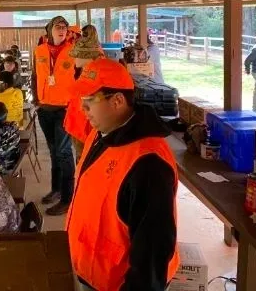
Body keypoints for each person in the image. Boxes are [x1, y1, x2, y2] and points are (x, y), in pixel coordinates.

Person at [66, 58, 179, 291]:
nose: (82, 109)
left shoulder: (148, 164)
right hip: (90, 271)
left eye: (89, 101)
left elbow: (153, 253)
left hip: (116, 284)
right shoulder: (103, 133)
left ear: (117, 101)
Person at [31, 15, 76, 216]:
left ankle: (67, 198)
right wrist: (36, 101)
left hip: (64, 109)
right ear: (50, 30)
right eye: (58, 26)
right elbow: (35, 75)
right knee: (53, 151)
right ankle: (56, 190)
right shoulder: (39, 50)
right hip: (44, 109)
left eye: (65, 27)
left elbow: (81, 76)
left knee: (64, 152)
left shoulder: (74, 50)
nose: (62, 30)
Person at [64, 24, 104, 160]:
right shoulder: (87, 72)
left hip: (86, 131)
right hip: (79, 127)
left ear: (87, 55)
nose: (74, 58)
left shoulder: (97, 75)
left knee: (84, 161)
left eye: (77, 55)